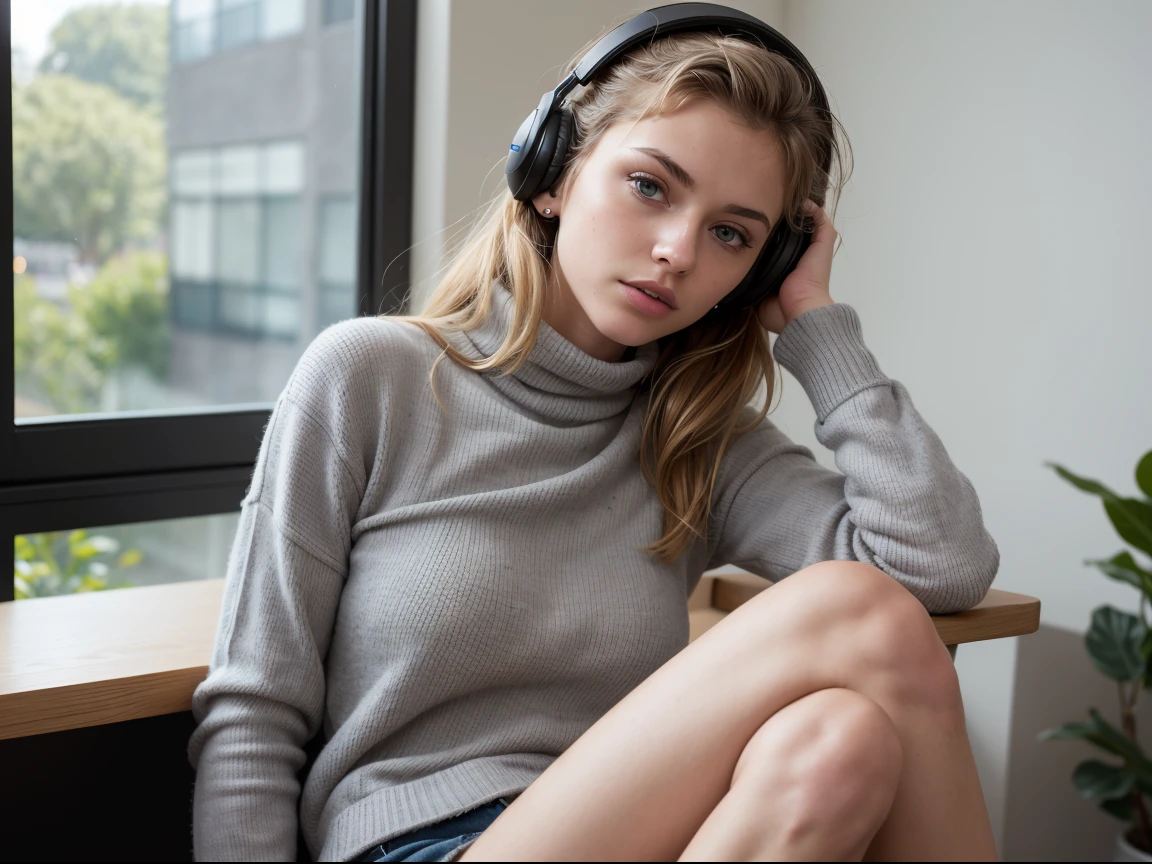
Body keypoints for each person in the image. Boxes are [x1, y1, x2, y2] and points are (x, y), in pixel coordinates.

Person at [188, 5, 1001, 862]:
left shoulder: (695, 442)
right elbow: (253, 714)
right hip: (418, 846)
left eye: (732, 234)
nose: (679, 252)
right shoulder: (369, 379)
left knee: (843, 743)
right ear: (552, 172)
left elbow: (937, 565)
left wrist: (816, 323)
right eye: (651, 186)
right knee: (853, 612)